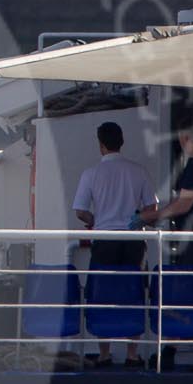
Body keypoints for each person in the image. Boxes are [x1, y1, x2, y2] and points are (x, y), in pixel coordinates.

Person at [140, 114, 193, 370]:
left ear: (186, 137)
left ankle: (169, 350)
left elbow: (183, 203)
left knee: (187, 293)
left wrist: (151, 216)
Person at [72, 121, 158, 368]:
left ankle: (104, 352)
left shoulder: (91, 174)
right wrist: (135, 219)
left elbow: (80, 211)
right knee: (134, 292)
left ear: (101, 145)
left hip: (105, 239)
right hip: (132, 240)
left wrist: (96, 221)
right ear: (122, 142)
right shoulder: (138, 171)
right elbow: (151, 208)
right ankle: (132, 353)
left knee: (103, 293)